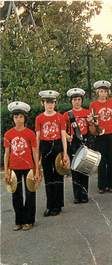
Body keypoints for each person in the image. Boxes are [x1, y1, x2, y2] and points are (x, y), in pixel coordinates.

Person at [4, 101, 40, 231]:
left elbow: (35, 152)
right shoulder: (8, 134)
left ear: (25, 118)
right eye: (15, 116)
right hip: (14, 168)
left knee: (30, 193)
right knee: (16, 195)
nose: (18, 119)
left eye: (20, 116)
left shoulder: (30, 134)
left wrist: (37, 171)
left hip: (29, 167)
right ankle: (19, 220)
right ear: (13, 119)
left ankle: (29, 220)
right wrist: (7, 171)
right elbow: (7, 153)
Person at [35, 90, 68, 216]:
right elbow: (38, 137)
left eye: (52, 102)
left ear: (55, 103)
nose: (50, 105)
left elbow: (63, 136)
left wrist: (65, 153)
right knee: (48, 176)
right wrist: (37, 156)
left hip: (57, 145)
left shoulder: (60, 117)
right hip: (45, 146)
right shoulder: (39, 118)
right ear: (43, 103)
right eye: (47, 102)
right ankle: (50, 205)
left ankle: (58, 205)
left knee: (58, 175)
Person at [89, 80, 112, 194]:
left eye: (105, 91)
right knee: (102, 161)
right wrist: (93, 123)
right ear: (97, 92)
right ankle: (102, 186)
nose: (103, 93)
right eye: (101, 91)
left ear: (107, 92)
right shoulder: (93, 105)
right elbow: (92, 121)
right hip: (100, 135)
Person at [63, 88, 91, 203]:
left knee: (85, 168)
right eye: (74, 99)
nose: (77, 102)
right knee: (75, 169)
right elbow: (62, 130)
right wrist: (67, 136)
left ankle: (84, 194)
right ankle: (77, 195)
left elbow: (92, 128)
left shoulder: (87, 112)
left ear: (82, 100)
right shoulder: (67, 114)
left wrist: (92, 122)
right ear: (71, 101)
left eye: (79, 99)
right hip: (73, 142)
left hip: (85, 140)